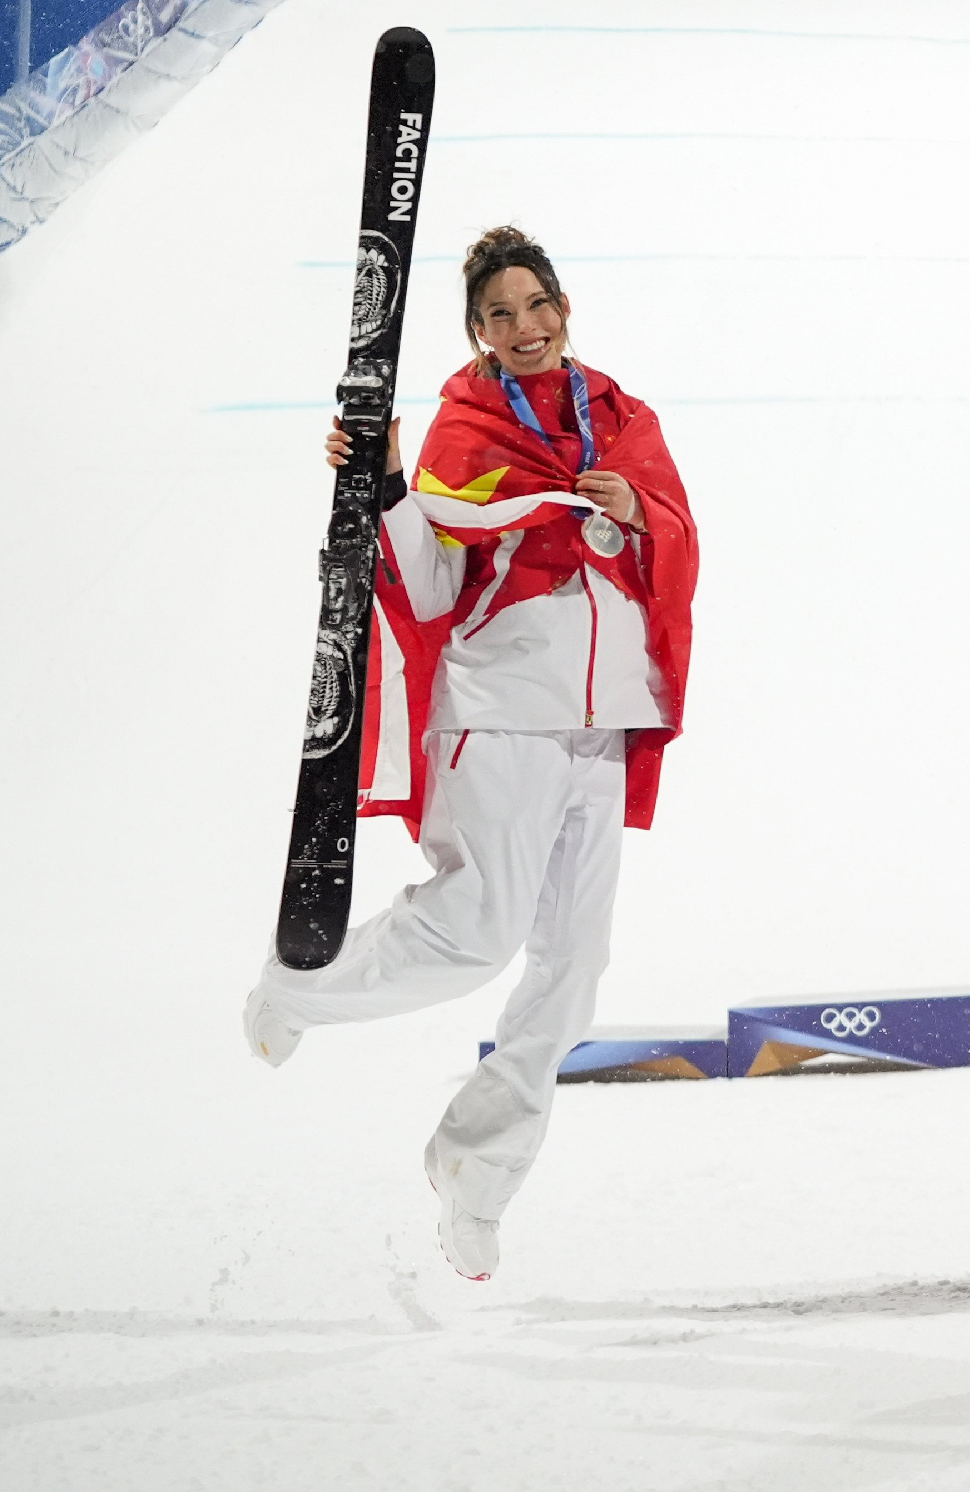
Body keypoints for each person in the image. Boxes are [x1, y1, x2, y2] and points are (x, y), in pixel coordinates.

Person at [242, 225, 699, 1281]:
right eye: (500, 315)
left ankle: (475, 1173)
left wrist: (633, 515)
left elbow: (676, 540)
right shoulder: (465, 429)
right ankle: (296, 990)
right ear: (477, 333)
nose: (524, 327)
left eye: (536, 305)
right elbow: (433, 587)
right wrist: (389, 483)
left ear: (564, 306)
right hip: (499, 711)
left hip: (601, 725)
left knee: (573, 967)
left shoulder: (625, 420)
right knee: (481, 933)